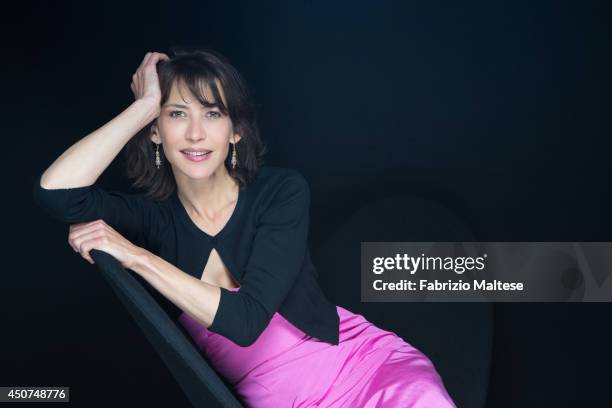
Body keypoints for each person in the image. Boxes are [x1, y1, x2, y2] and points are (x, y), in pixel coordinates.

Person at [32, 48, 456, 407]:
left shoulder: (279, 193)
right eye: (177, 114)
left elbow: (246, 321)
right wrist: (144, 106)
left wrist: (135, 257)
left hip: (369, 368)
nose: (195, 133)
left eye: (212, 114)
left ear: (235, 131)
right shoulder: (154, 220)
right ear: (156, 132)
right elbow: (56, 192)